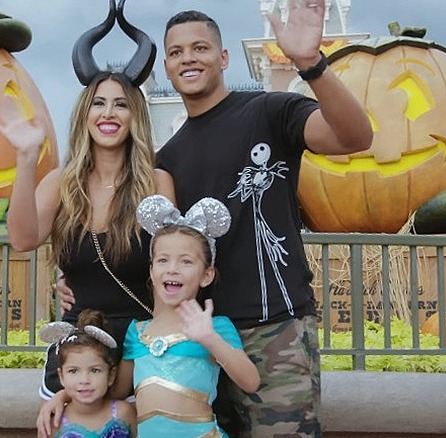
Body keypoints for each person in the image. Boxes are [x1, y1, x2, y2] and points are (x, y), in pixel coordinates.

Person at [154, 3, 374, 437]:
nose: (188, 58)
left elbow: (356, 137)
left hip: (276, 328)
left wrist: (310, 64)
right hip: (206, 336)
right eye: (177, 52)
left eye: (200, 48)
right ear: (167, 65)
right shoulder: (170, 157)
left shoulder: (270, 112)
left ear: (223, 58)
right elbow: (167, 253)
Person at [0, 0, 174, 402]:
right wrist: (26, 159)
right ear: (85, 114)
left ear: (135, 116)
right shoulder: (61, 181)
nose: (109, 113)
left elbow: (172, 271)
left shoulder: (156, 183)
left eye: (121, 103)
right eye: (99, 103)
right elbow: (23, 239)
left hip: (141, 345)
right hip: (78, 353)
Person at [40, 195, 260, 438]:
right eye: (163, 260)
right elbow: (115, 392)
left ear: (206, 275)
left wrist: (210, 339)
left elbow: (250, 382)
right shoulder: (138, 332)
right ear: (152, 270)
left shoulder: (214, 326)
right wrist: (63, 395)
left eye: (186, 261)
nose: (172, 268)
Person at [39, 309, 137, 438]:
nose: (84, 380)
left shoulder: (124, 413)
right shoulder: (54, 422)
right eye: (73, 371)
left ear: (111, 375)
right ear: (61, 376)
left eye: (95, 370)